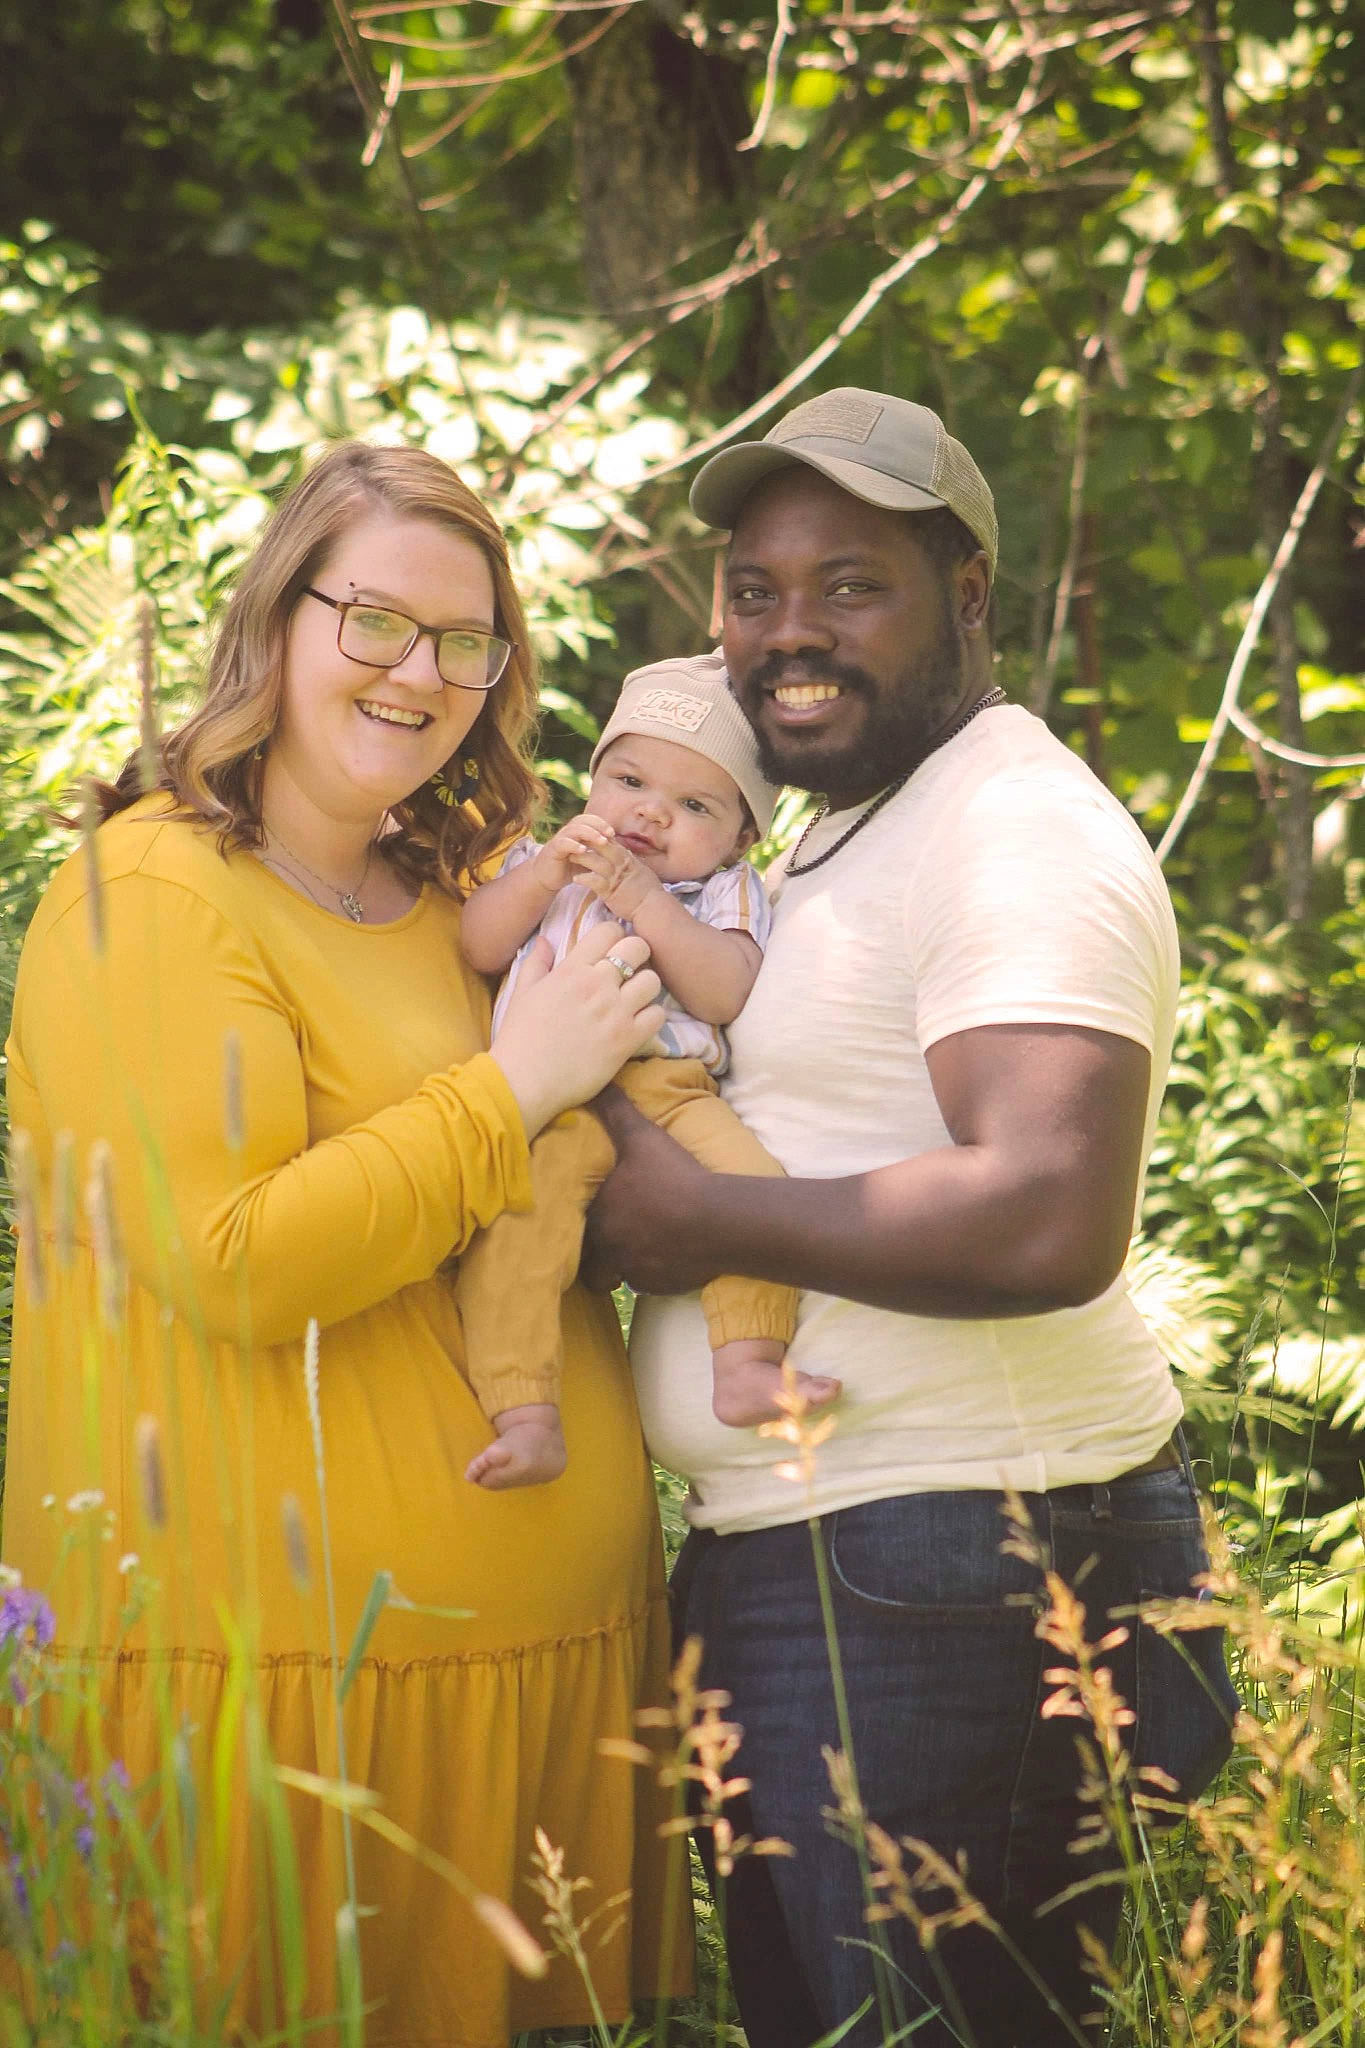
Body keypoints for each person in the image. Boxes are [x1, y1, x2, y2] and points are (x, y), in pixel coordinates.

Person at [2, 442, 692, 2045]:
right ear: (277, 619)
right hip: (287, 1718)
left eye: (468, 642)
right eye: (375, 619)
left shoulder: (456, 893)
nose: (421, 673)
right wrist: (518, 1083)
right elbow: (236, 1262)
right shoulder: (156, 893)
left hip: (539, 1696)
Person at [585, 387, 1241, 2048]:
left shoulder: (1017, 829)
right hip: (851, 1562)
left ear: (967, 597)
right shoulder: (838, 833)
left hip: (962, 1563)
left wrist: (703, 1217)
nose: (789, 632)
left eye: (850, 585)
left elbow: (1045, 1211)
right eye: (754, 590)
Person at [457, 651, 840, 1489]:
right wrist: (546, 874)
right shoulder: (542, 861)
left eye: (693, 804)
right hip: (547, 1096)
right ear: (593, 779)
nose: (650, 816)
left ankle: (745, 1364)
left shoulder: (722, 891)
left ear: (744, 835)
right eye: (629, 781)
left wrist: (643, 901)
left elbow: (725, 988)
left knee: (754, 1188)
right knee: (520, 1230)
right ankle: (523, 1408)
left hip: (665, 1089)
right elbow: (479, 944)